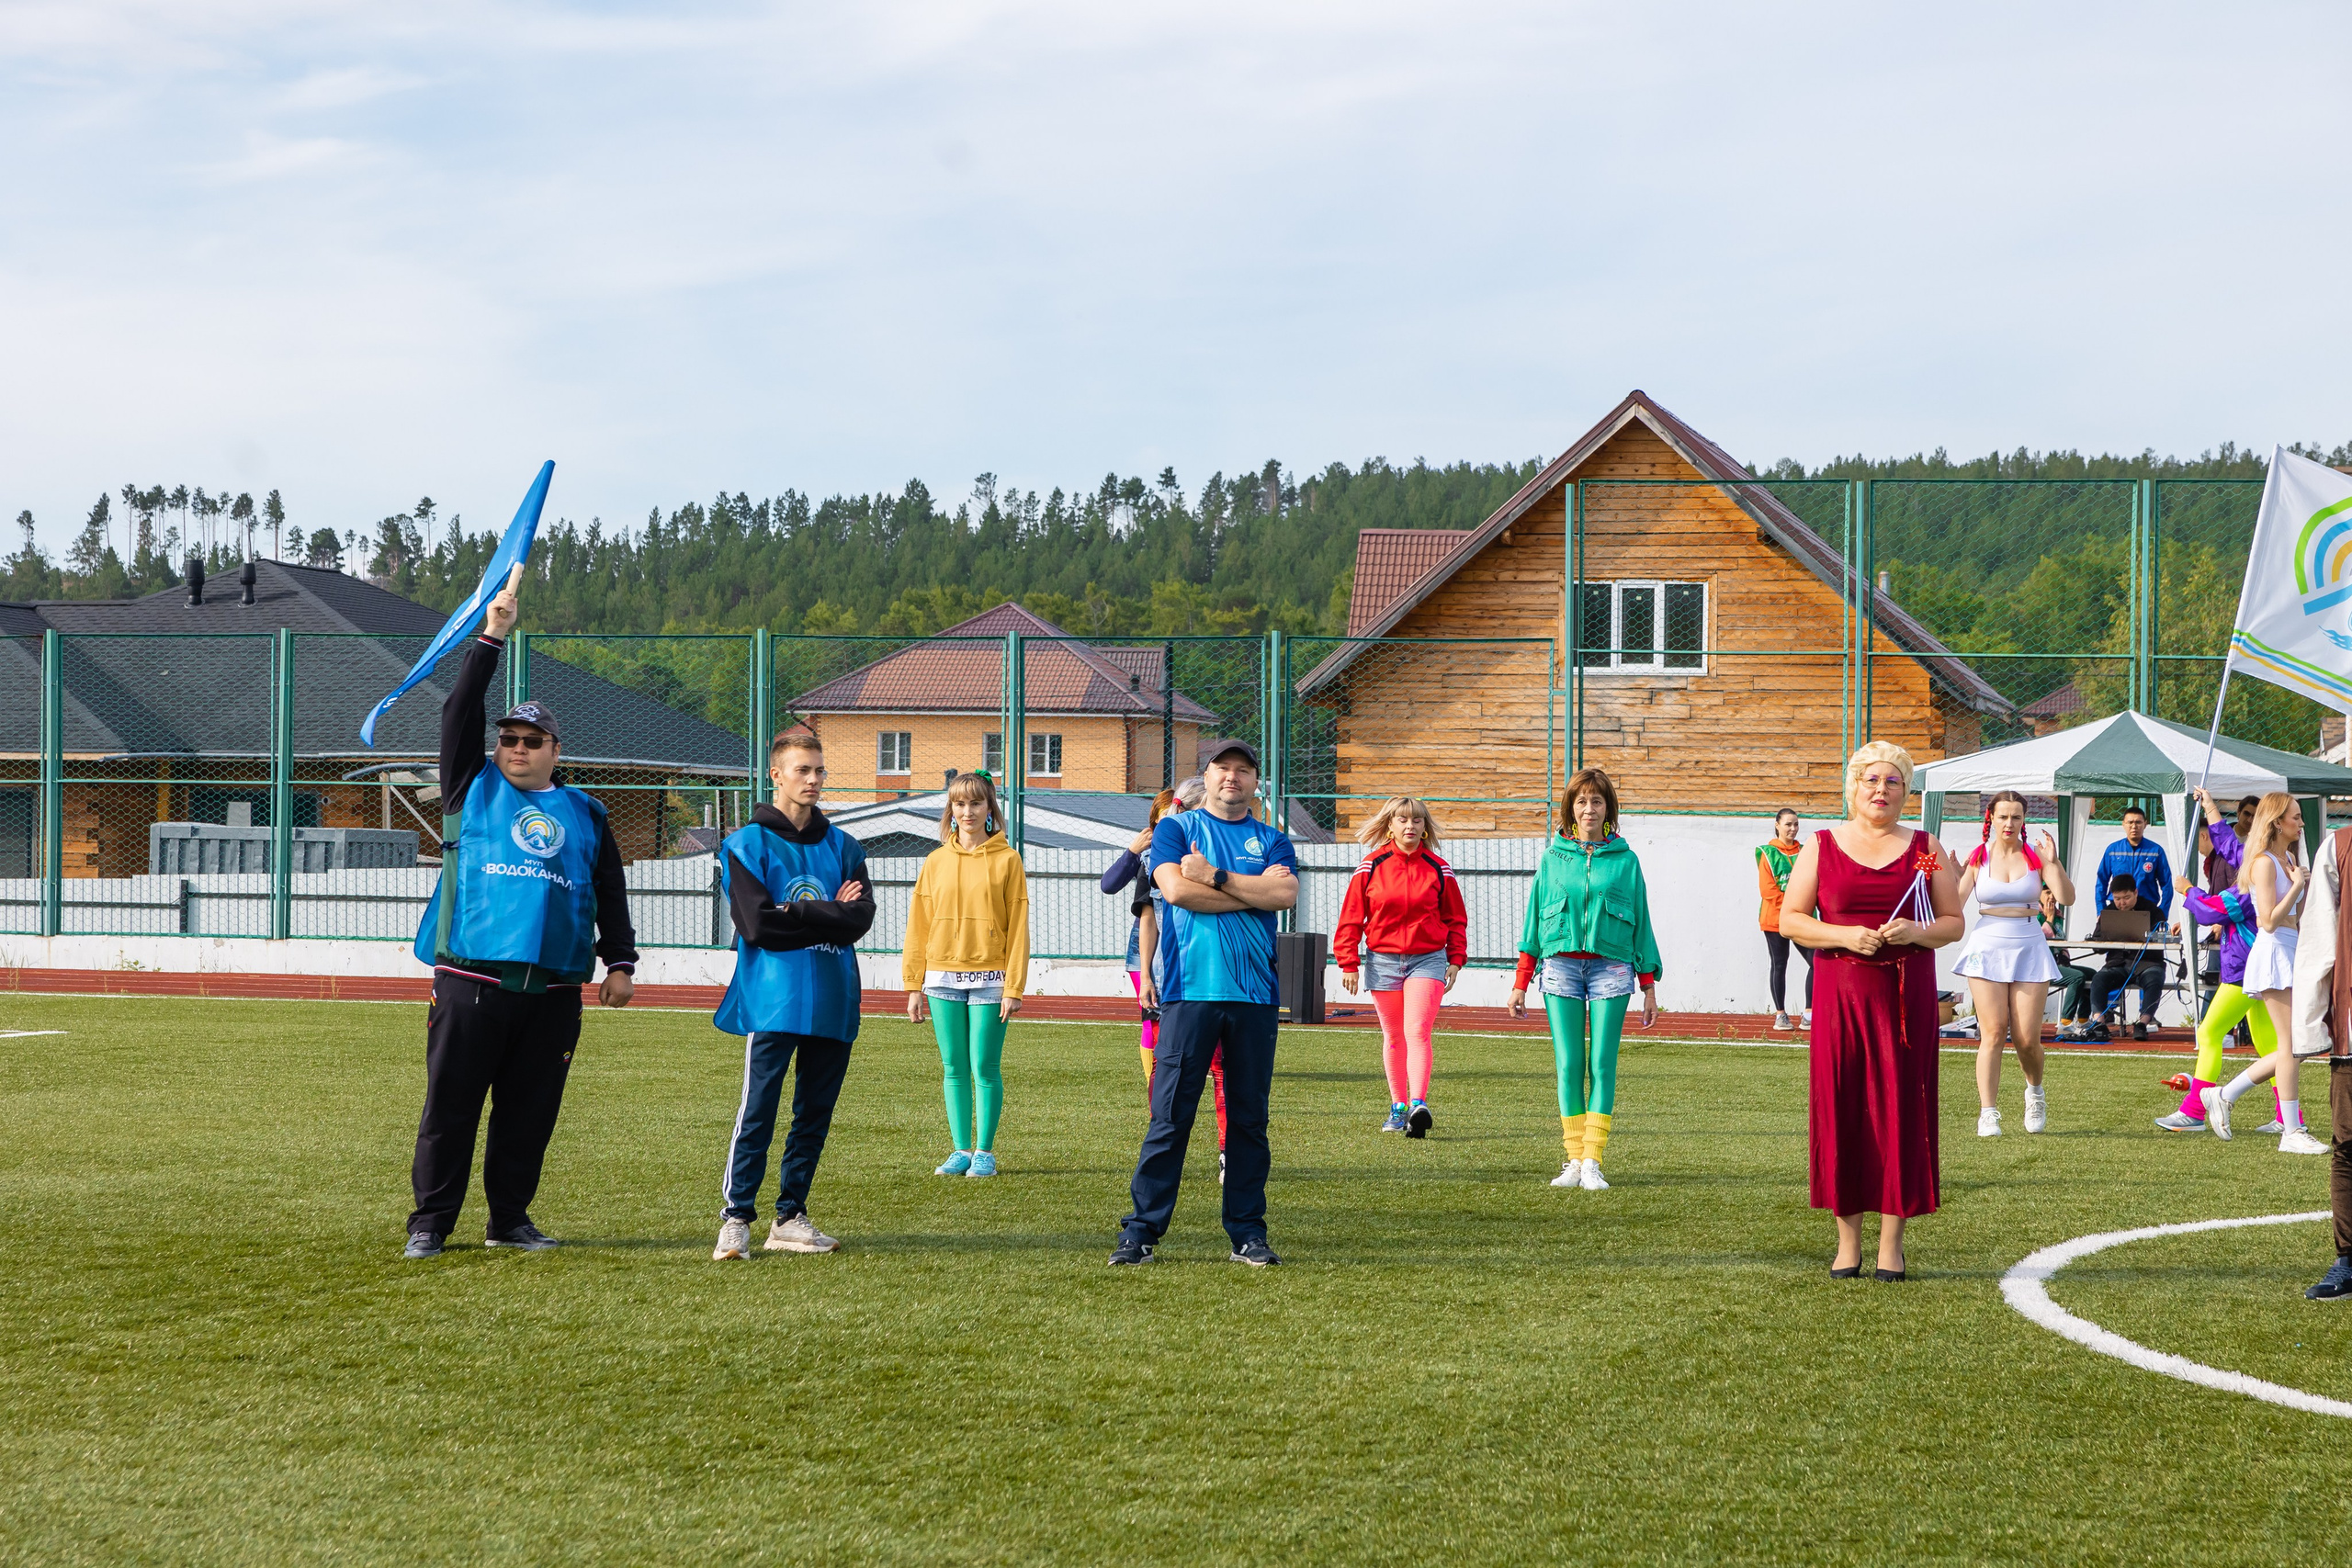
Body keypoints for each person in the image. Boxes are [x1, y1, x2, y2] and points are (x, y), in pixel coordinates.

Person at [403, 570, 639, 1259]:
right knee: (451, 1108)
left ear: (555, 751)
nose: (516, 747)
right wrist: (492, 635)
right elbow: (458, 712)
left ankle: (509, 1218)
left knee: (529, 1114)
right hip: (472, 980)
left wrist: (620, 961)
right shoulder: (469, 789)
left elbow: (611, 893)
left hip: (556, 991)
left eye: (532, 740)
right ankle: (430, 1223)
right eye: (508, 737)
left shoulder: (586, 812)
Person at [1777, 741, 1963, 1281]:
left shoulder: (1925, 848)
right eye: (1871, 781)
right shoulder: (1821, 844)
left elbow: (1953, 922)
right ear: (1854, 787)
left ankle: (1891, 1245)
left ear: (1906, 792)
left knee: (1901, 1113)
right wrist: (1843, 935)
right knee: (1842, 1109)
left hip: (1906, 1000)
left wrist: (1917, 932)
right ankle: (1847, 1243)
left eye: (1893, 782)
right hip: (1840, 996)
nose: (1881, 791)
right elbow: (1791, 919)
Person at [1110, 739, 1297, 1267]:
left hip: (1255, 996)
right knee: (1169, 1117)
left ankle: (1247, 1233)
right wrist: (1251, 890)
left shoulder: (1273, 839)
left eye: (1243, 770)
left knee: (1247, 1121)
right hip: (1189, 994)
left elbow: (1285, 897)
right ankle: (1141, 1230)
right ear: (1207, 777)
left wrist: (1214, 876)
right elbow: (1174, 892)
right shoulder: (1176, 829)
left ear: (1255, 782)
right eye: (1222, 769)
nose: (1232, 777)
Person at [710, 731, 876, 1260]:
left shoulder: (845, 846)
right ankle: (736, 1218)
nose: (813, 780)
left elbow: (861, 920)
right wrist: (827, 909)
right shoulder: (746, 844)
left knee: (814, 1112)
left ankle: (790, 1216)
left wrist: (797, 912)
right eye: (802, 770)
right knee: (758, 1107)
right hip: (772, 996)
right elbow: (757, 926)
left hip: (832, 994)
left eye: (820, 771)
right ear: (776, 775)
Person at [1507, 767, 1661, 1192]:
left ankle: (1593, 1160)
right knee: (1570, 1065)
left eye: (1596, 801)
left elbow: (1642, 922)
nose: (1589, 809)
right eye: (1581, 802)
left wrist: (1648, 984)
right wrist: (1521, 980)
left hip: (1612, 967)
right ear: (1569, 810)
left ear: (1608, 808)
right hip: (1560, 967)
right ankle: (1574, 1159)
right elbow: (1535, 919)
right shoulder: (1552, 858)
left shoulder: (1627, 860)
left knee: (1602, 1065)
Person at [904, 771, 1030, 1178]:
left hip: (992, 979)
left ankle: (985, 1153)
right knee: (954, 1066)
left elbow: (1019, 927)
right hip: (941, 978)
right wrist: (913, 985)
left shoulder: (1008, 860)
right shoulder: (935, 861)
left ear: (989, 807)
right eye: (959, 804)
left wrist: (1014, 986)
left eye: (976, 803)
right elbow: (918, 925)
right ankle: (960, 1149)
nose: (968, 811)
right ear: (951, 810)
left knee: (984, 1066)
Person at [1334, 795, 1469, 1136]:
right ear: (1390, 825)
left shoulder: (1440, 868)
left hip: (1428, 959)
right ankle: (1397, 1108)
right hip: (1383, 961)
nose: (1410, 826)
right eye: (1403, 820)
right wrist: (1348, 962)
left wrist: (1456, 958)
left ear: (1425, 828)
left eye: (1417, 821)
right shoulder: (1370, 866)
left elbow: (1455, 919)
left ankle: (1418, 1104)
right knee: (1394, 1035)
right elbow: (1351, 917)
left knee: (1418, 1031)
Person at [2156, 785, 2285, 1134]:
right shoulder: (2268, 862)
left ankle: (2195, 1111)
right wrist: (2211, 808)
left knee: (2210, 1032)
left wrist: (2187, 891)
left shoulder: (2257, 877)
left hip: (2245, 970)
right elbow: (2229, 844)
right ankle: (2290, 1117)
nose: (2239, 842)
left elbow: (2214, 910)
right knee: (2272, 1045)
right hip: (2257, 967)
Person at [2205, 792, 2328, 1155]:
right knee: (2292, 1045)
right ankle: (2291, 1130)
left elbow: (2295, 917)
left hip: (2292, 950)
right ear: (2277, 822)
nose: (2301, 823)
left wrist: (2301, 887)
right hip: (2274, 951)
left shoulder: (2287, 858)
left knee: (2299, 1044)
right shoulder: (2263, 863)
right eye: (2295, 817)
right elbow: (2268, 921)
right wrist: (2298, 885)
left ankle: (2225, 1094)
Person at [1106, 780, 1224, 1154]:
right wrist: (1148, 975)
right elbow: (1133, 904)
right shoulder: (1155, 858)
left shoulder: (1224, 850)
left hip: (1211, 966)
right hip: (1160, 963)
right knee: (1160, 1044)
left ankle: (1226, 1148)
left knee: (1219, 1059)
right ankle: (1160, 1126)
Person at [1951, 790, 2073, 1136]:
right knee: (1991, 1031)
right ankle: (1988, 1112)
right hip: (1986, 945)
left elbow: (2066, 898)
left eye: (2016, 817)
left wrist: (2055, 862)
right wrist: (1950, 875)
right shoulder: (1978, 858)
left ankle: (2035, 1092)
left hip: (2029, 944)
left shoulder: (2037, 857)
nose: (2009, 823)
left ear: (2023, 820)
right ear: (1991, 818)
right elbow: (1954, 904)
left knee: (2026, 1039)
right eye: (2003, 816)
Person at [2288, 812, 2352, 1297]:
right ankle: (2349, 1259)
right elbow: (2317, 940)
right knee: (2349, 1145)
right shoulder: (2339, 846)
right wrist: (2312, 1025)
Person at [2088, 876, 2167, 1040]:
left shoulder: (2153, 911)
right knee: (2098, 979)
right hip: (2117, 964)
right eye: (2117, 899)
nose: (2121, 903)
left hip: (2147, 963)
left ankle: (2142, 1023)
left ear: (2136, 893)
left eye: (2126, 898)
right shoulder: (2109, 913)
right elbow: (2097, 946)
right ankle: (2099, 1023)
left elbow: (2162, 936)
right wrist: (2109, 938)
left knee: (2155, 979)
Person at [1757, 807, 1814, 1032]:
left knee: (1816, 961)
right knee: (1779, 964)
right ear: (1777, 825)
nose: (1793, 828)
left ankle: (1809, 1013)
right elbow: (1768, 891)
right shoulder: (1766, 853)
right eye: (1788, 824)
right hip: (1775, 918)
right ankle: (1780, 1015)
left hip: (1803, 918)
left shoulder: (1806, 851)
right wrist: (1794, 907)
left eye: (1796, 824)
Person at [2095, 805, 2173, 921]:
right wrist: (2101, 910)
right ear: (2123, 824)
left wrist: (2162, 912)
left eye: (2138, 822)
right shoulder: (2113, 850)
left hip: (2147, 909)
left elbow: (2167, 884)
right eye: (2130, 822)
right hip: (2118, 908)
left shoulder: (2155, 851)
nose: (2134, 826)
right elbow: (2101, 881)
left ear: (2145, 824)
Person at [2043, 887, 2098, 1040]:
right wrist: (2049, 919)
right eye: (2047, 892)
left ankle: (2083, 1020)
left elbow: (2061, 942)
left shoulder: (2058, 915)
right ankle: (2065, 1023)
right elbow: (2039, 939)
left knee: (2092, 974)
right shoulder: (2034, 915)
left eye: (2054, 893)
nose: (2052, 897)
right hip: (2043, 967)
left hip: (2058, 964)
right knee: (2076, 977)